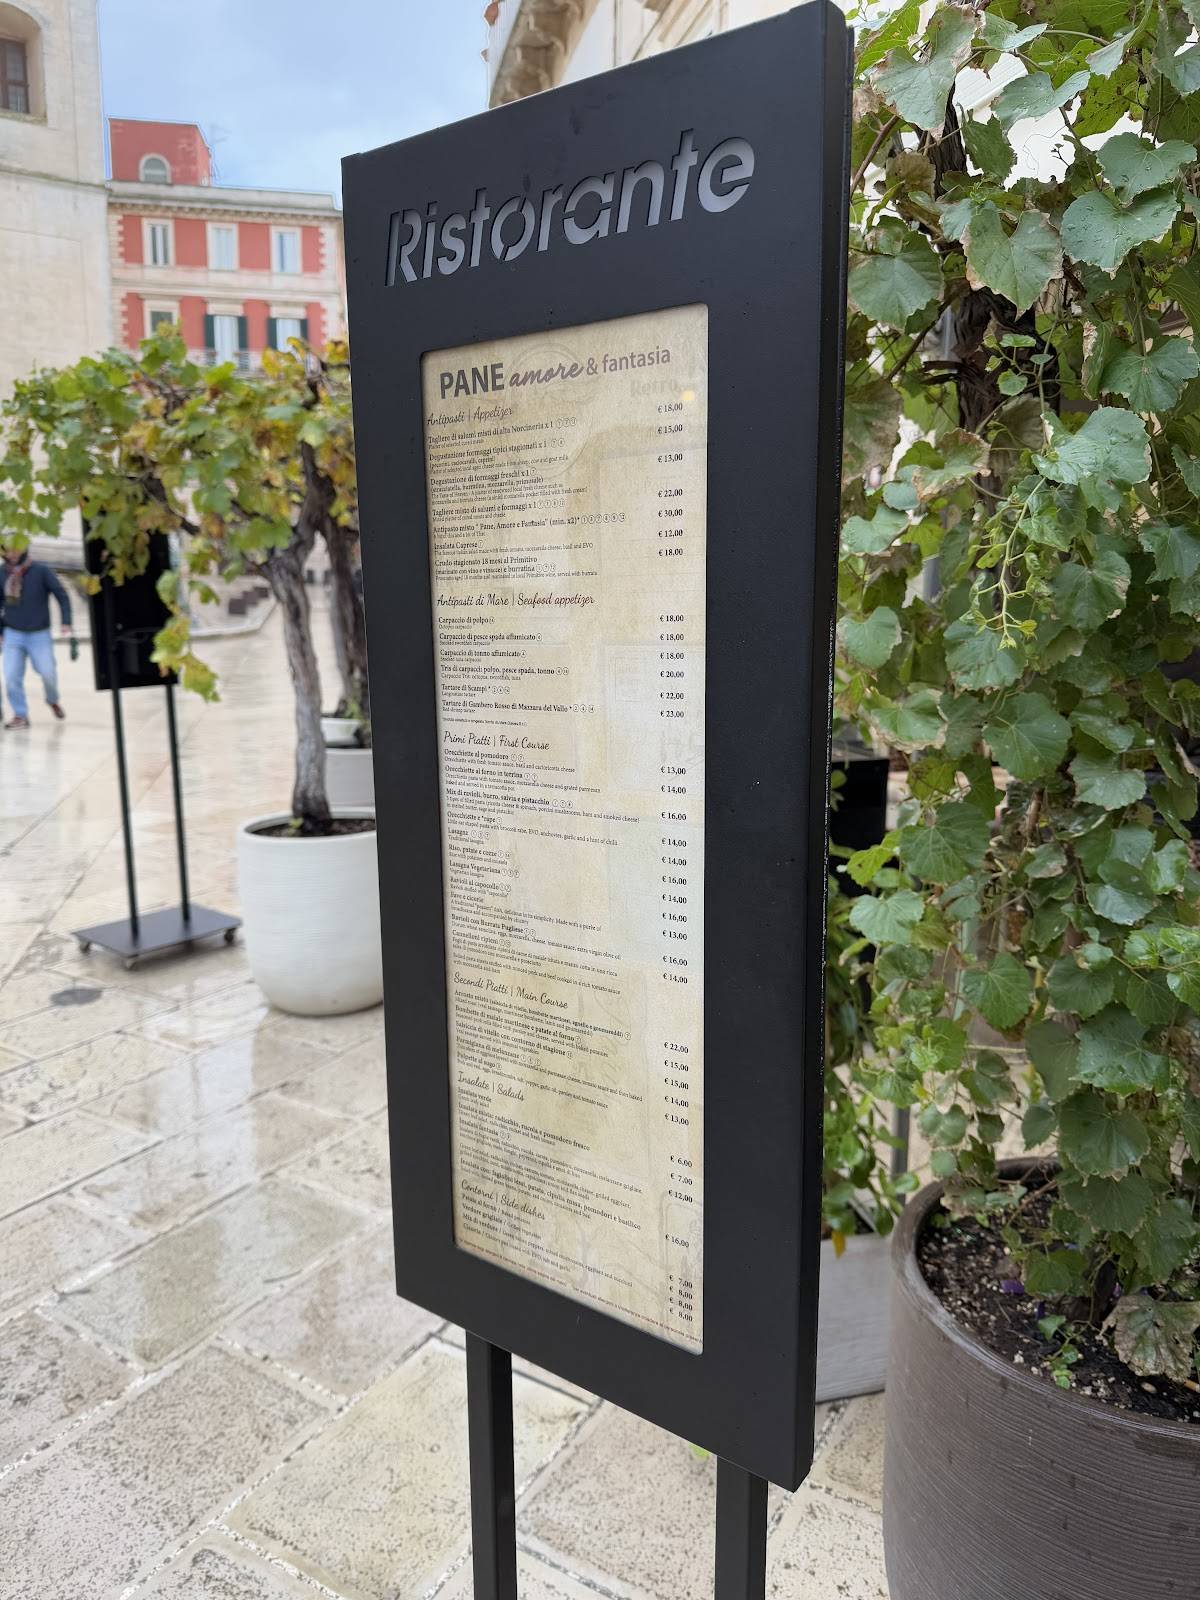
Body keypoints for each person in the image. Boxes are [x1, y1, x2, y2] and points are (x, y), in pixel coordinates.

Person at [1, 547, 73, 729]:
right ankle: (20, 715)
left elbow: (61, 595)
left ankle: (52, 700)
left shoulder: (40, 571)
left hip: (39, 634)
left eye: (16, 548)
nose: (12, 553)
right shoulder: (2, 573)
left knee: (48, 673)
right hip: (13, 633)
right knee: (11, 677)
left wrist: (66, 621)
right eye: (8, 549)